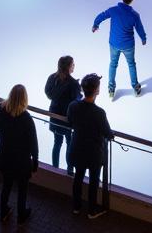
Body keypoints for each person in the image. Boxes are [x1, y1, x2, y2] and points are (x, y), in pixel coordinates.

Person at [0, 84, 39, 224]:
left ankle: (4, 211)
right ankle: (21, 214)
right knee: (22, 189)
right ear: (25, 99)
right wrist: (35, 161)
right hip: (22, 161)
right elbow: (33, 144)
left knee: (6, 185)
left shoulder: (0, 109)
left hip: (5, 157)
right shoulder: (27, 119)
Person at [66, 73, 113, 219]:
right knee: (93, 182)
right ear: (97, 91)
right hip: (93, 154)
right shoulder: (99, 113)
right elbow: (107, 133)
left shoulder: (73, 106)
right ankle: (91, 210)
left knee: (78, 178)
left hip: (77, 149)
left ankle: (76, 207)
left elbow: (70, 121)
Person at [93, 0, 148, 99]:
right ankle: (136, 87)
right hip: (128, 46)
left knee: (113, 64)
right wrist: (143, 38)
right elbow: (139, 28)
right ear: (132, 0)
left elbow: (102, 15)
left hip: (114, 43)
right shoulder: (134, 15)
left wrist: (96, 24)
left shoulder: (114, 10)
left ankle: (111, 88)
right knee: (131, 64)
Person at [45, 56, 81, 173]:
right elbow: (76, 102)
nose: (74, 66)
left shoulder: (52, 78)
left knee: (57, 142)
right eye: (73, 64)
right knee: (69, 144)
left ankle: (54, 169)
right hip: (67, 118)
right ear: (68, 67)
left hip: (54, 115)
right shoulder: (73, 84)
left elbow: (49, 93)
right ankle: (69, 171)